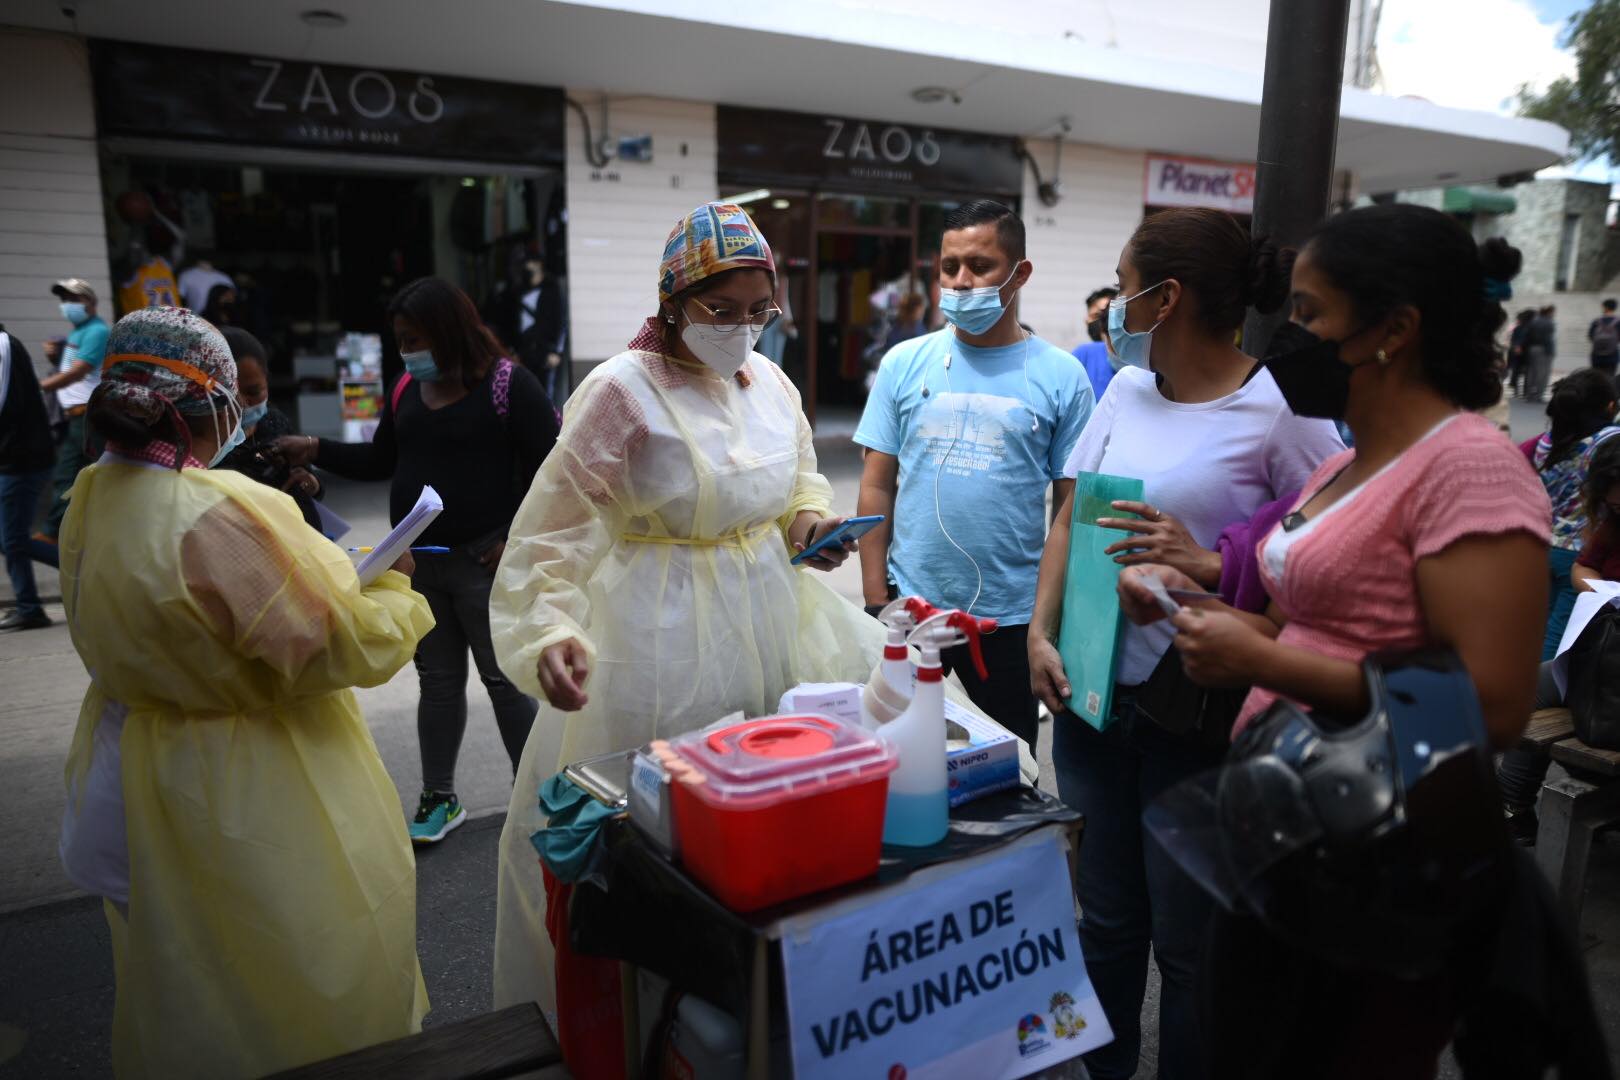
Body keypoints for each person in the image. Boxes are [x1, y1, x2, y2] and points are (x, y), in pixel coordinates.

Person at [1117, 206, 1548, 1078]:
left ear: (1395, 328)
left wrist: (1268, 663)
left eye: (1311, 315)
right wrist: (1186, 607)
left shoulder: (1468, 466)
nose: (1290, 337)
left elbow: (1494, 708)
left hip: (1381, 848)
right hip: (1285, 821)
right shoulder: (1342, 465)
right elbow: (1293, 625)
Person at [488, 200, 881, 1020]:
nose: (743, 329)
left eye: (758, 312)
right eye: (721, 311)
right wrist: (550, 630)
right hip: (653, 636)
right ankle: (651, 1015)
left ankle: (748, 1010)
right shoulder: (621, 392)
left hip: (767, 619)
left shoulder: (767, 381)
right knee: (666, 837)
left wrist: (810, 526)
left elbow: (800, 479)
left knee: (761, 819)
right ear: (673, 303)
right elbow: (552, 533)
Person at [56, 307, 433, 1077]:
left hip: (138, 765)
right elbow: (334, 643)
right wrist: (397, 593)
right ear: (217, 404)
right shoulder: (216, 512)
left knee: (188, 973)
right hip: (251, 782)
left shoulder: (95, 491)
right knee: (292, 972)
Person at [1025, 207, 1343, 1080]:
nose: (1112, 307)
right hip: (1092, 694)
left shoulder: (1279, 412)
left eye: (1123, 287)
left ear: (1164, 298)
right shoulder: (1123, 390)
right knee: (1107, 924)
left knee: (1190, 944)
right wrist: (1041, 633)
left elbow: (1319, 566)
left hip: (1196, 714)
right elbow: (1071, 516)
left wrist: (1205, 565)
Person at [275, 277, 556, 843]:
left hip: (485, 562)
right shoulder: (406, 388)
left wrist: (517, 539)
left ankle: (534, 798)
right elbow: (382, 458)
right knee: (439, 681)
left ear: (450, 332)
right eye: (400, 342)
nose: (407, 353)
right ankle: (439, 797)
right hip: (418, 563)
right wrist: (316, 450)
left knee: (505, 683)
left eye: (415, 340)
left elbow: (555, 471)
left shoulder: (508, 385)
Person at [855, 199, 1094, 752]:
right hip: (909, 609)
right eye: (949, 267)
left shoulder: (1062, 376)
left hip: (1011, 620)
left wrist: (1047, 621)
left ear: (1020, 273)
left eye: (980, 266)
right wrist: (875, 600)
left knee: (1009, 767)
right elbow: (876, 483)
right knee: (900, 756)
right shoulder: (903, 363)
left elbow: (1071, 504)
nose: (961, 282)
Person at [1500, 435, 1620, 837]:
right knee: (1524, 692)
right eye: (1613, 504)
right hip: (1603, 655)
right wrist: (1604, 592)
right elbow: (1583, 568)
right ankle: (1512, 806)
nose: (1616, 510)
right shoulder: (1611, 523)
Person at [1526, 369, 1619, 658]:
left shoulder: (1544, 443)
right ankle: (1534, 696)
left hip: (1542, 544)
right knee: (1559, 636)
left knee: (1540, 625)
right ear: (1608, 407)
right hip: (1577, 550)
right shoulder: (1606, 441)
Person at [215, 326, 325, 533]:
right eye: (231, 394)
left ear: (267, 378)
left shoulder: (275, 423)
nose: (244, 404)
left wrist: (311, 483)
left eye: (254, 391)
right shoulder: (207, 442)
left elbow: (307, 477)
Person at [35, 279, 111, 556]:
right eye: (65, 299)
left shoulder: (96, 330)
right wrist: (55, 357)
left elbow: (79, 372)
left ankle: (54, 532)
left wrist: (37, 387)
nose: (68, 305)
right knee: (78, 474)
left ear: (91, 303)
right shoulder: (79, 331)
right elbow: (71, 370)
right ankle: (65, 532)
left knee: (79, 473)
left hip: (88, 415)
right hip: (78, 416)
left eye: (75, 299)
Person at [0, 327, 56, 631]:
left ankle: (30, 607)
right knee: (9, 538)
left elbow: (4, 403)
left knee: (12, 539)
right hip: (14, 456)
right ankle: (83, 570)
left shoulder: (2, 345)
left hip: (21, 458)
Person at [1526, 304, 1557, 403]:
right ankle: (1539, 394)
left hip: (1532, 348)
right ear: (1549, 312)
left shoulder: (1533, 321)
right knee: (1543, 373)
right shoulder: (1549, 322)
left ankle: (1529, 394)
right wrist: (1551, 351)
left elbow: (1528, 336)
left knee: (1532, 372)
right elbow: (1549, 339)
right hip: (1544, 349)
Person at [1507, 307, 1535, 397]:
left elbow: (1513, 339)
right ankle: (1525, 391)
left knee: (1517, 370)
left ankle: (1516, 390)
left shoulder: (1518, 327)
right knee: (1527, 372)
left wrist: (1515, 346)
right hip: (1525, 351)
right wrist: (1519, 346)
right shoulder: (1529, 327)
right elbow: (1524, 338)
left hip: (1516, 351)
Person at [1590, 297, 1619, 374]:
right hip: (1612, 355)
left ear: (1605, 307)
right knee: (1610, 380)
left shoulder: (1596, 321)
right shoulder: (1618, 322)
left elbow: (1591, 336)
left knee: (1596, 379)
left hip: (1596, 355)